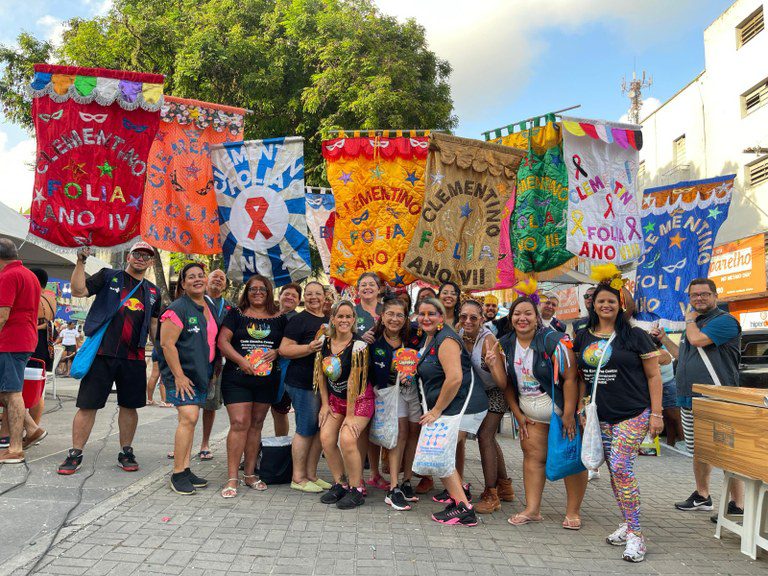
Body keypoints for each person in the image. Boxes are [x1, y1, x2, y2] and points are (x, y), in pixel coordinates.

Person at [573, 278, 663, 563]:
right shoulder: (583, 335)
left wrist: (657, 414)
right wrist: (581, 408)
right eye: (600, 301)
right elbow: (581, 378)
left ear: (620, 304)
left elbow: (653, 375)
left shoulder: (635, 335)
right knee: (614, 472)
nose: (606, 305)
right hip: (601, 416)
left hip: (633, 412)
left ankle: (637, 534)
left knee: (622, 468)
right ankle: (627, 522)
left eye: (611, 300)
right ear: (593, 305)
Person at [57, 241, 160, 475]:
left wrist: (162, 352)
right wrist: (81, 261)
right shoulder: (108, 275)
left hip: (134, 357)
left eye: (146, 256)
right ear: (128, 257)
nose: (141, 258)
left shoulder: (153, 291)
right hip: (102, 354)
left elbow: (154, 324)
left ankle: (126, 452)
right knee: (87, 405)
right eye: (137, 254)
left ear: (151, 261)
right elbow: (78, 291)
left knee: (130, 406)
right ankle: (75, 453)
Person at [491, 296, 585, 526]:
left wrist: (569, 414)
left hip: (561, 412)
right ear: (510, 318)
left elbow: (571, 378)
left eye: (528, 314)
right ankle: (532, 509)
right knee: (533, 459)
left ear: (536, 318)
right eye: (517, 314)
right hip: (530, 416)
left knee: (571, 458)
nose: (522, 318)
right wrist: (518, 414)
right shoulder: (505, 344)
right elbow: (508, 385)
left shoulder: (555, 340)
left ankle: (573, 512)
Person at [672, 278, 743, 521]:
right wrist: (662, 339)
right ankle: (702, 496)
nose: (699, 299)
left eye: (704, 294)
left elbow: (698, 341)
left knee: (725, 453)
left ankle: (738, 505)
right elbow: (684, 354)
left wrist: (689, 319)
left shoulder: (724, 321)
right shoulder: (694, 324)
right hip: (689, 398)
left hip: (717, 398)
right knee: (699, 452)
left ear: (715, 295)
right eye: (694, 295)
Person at [415, 298, 489, 526]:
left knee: (439, 453)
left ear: (442, 317)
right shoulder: (432, 337)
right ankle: (459, 500)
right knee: (441, 454)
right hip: (453, 406)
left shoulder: (446, 339)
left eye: (431, 314)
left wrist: (436, 410)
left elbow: (455, 377)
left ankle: (463, 508)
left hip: (463, 407)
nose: (425, 318)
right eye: (421, 313)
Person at [218, 275, 286, 498]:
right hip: (237, 377)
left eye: (262, 289)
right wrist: (240, 360)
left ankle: (249, 474)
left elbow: (287, 345)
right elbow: (222, 341)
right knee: (239, 423)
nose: (257, 292)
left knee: (256, 424)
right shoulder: (236, 314)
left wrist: (277, 351)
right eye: (253, 289)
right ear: (246, 292)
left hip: (266, 379)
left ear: (269, 292)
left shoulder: (279, 318)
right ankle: (231, 478)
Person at [158, 263, 218, 495]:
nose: (197, 279)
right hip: (182, 375)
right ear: (183, 284)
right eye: (191, 277)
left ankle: (186, 468)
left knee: (192, 421)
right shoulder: (177, 308)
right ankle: (177, 473)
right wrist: (179, 376)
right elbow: (166, 344)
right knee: (189, 417)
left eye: (200, 276)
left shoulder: (208, 305)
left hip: (201, 373)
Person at [458, 300, 514, 514]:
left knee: (485, 436)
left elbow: (502, 382)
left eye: (473, 317)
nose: (468, 321)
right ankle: (505, 486)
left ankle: (491, 493)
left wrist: (492, 364)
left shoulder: (488, 340)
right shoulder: (459, 334)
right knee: (488, 438)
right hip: (478, 392)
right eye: (464, 317)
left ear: (482, 319)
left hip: (498, 391)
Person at [315, 300, 372, 509]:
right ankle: (341, 483)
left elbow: (354, 382)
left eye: (349, 316)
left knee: (347, 439)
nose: (344, 320)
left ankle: (357, 489)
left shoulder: (359, 346)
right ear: (333, 319)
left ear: (354, 320)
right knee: (326, 438)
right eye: (340, 316)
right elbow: (320, 374)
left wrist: (349, 415)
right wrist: (324, 404)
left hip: (359, 401)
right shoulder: (324, 342)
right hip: (335, 400)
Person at [368, 297, 422, 511]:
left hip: (414, 392)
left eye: (400, 315)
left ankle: (407, 480)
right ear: (382, 316)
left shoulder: (413, 338)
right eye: (390, 314)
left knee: (413, 433)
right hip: (391, 393)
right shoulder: (374, 341)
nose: (394, 319)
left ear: (406, 318)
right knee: (399, 434)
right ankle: (394, 486)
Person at [278, 281, 331, 493]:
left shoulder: (328, 321)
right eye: (309, 294)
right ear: (304, 298)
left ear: (324, 297)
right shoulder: (299, 320)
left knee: (318, 430)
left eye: (317, 294)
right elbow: (284, 350)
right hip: (302, 383)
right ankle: (298, 477)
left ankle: (311, 474)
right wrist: (308, 348)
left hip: (322, 384)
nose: (313, 297)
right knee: (305, 429)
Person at [0, 239, 42, 464]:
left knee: (12, 392)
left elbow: (2, 315)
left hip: (11, 341)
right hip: (23, 339)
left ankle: (15, 448)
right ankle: (32, 428)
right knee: (5, 392)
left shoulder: (7, 276)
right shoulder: (28, 274)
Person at [195, 269, 235, 459]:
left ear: (225, 285)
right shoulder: (195, 301)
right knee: (190, 405)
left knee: (210, 405)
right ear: (206, 280)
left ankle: (205, 443)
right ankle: (183, 444)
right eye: (214, 277)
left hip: (218, 362)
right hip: (196, 360)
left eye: (222, 278)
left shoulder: (229, 307)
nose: (218, 280)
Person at [354, 273, 387, 490]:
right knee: (360, 428)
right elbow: (338, 336)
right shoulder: (351, 311)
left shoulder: (387, 310)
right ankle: (356, 476)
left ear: (379, 288)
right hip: (359, 376)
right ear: (357, 290)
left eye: (371, 284)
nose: (367, 288)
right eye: (363, 285)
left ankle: (376, 473)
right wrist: (358, 338)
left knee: (377, 427)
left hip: (384, 375)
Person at [271, 283, 302, 437]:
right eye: (286, 293)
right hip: (265, 370)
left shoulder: (298, 320)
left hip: (288, 371)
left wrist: (277, 351)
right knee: (274, 411)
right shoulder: (269, 315)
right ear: (279, 296)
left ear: (298, 301)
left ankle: (284, 446)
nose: (289, 297)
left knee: (281, 410)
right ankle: (279, 444)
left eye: (294, 296)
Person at [29, 267, 57, 426]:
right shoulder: (50, 297)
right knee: (37, 390)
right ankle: (34, 426)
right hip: (45, 345)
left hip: (31, 343)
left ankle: (31, 429)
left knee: (21, 388)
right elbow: (47, 323)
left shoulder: (33, 297)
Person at [648, 329, 682, 447]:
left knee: (675, 418)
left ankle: (684, 443)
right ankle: (670, 443)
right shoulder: (658, 352)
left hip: (668, 388)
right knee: (667, 419)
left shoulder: (661, 353)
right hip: (662, 388)